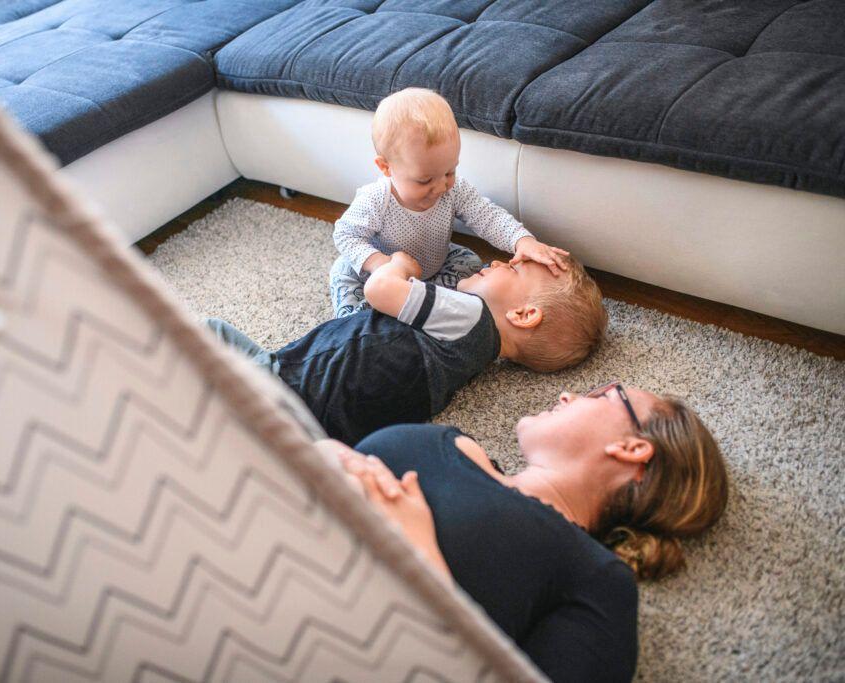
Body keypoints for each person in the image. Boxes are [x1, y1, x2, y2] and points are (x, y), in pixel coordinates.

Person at [320, 382, 729, 683]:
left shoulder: (597, 577)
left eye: (603, 393)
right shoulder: (449, 441)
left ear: (633, 448)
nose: (570, 394)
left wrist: (422, 567)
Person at [207, 250, 607, 445]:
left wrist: (401, 264)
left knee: (210, 332)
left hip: (290, 385)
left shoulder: (470, 315)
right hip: (323, 430)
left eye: (515, 269)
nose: (500, 262)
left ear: (524, 314)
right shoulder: (473, 358)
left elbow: (381, 289)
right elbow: (376, 343)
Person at [330, 87, 569, 318]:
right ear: (386, 167)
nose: (441, 187)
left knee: (470, 262)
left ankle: (423, 301)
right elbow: (345, 235)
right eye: (424, 180)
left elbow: (486, 215)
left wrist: (522, 240)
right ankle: (373, 314)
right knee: (345, 282)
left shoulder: (454, 190)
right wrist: (382, 264)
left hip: (434, 266)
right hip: (374, 275)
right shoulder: (375, 198)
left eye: (449, 172)